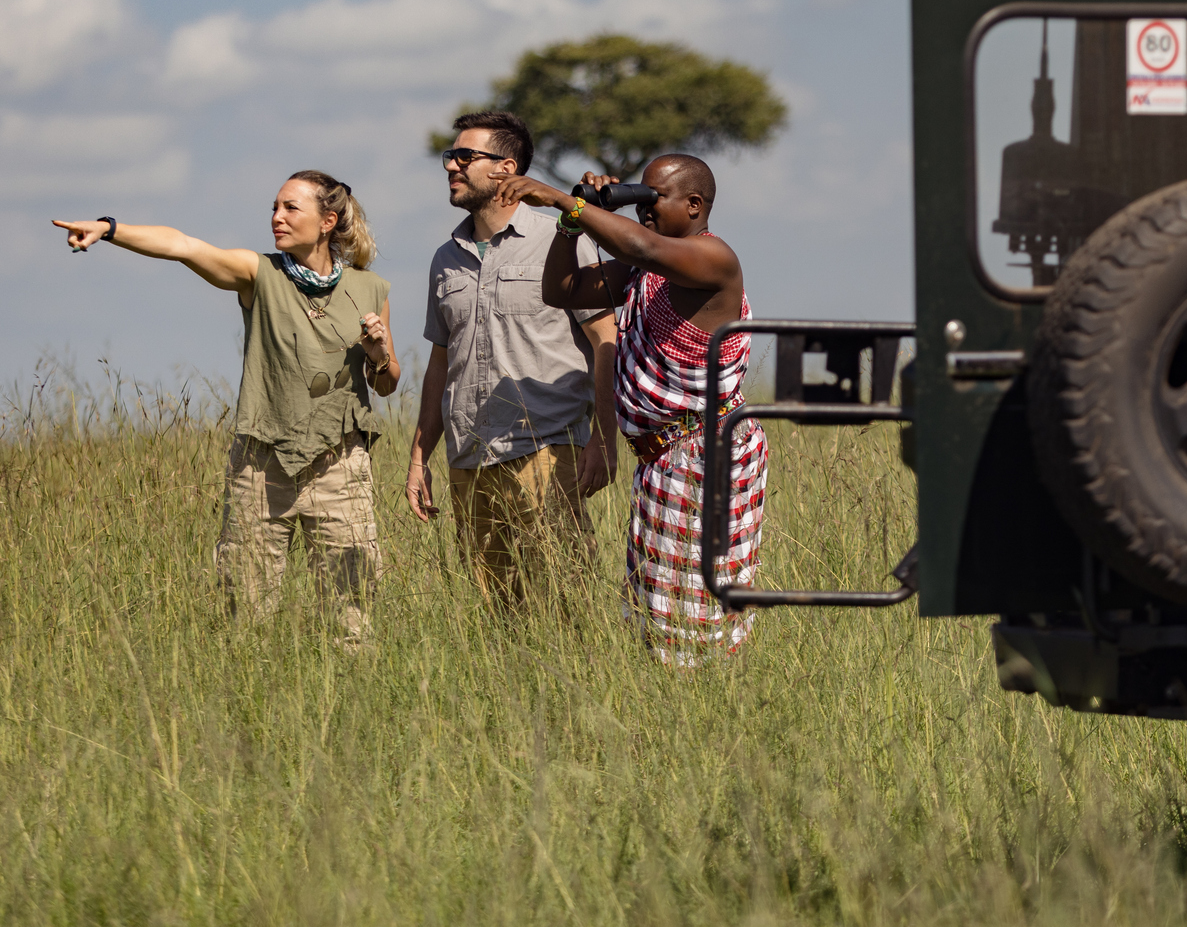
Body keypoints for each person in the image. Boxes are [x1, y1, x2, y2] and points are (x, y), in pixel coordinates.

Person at [52, 172, 400, 643]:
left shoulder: (370, 287)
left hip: (339, 464)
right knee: (248, 613)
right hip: (261, 464)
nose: (276, 217)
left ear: (327, 221)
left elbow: (386, 383)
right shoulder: (257, 273)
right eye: (274, 207)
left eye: (290, 208)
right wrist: (110, 229)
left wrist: (379, 355)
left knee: (350, 613)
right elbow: (182, 245)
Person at [494, 153, 765, 664]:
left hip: (702, 450)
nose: (643, 208)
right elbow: (562, 291)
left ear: (694, 205)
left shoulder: (713, 259)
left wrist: (561, 198)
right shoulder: (646, 272)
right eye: (637, 196)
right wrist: (571, 227)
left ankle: (699, 709)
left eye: (653, 197)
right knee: (658, 601)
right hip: (662, 455)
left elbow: (643, 245)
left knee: (692, 606)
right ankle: (677, 709)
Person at [406, 111, 621, 608]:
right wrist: (420, 456)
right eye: (450, 157)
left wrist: (604, 441)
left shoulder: (563, 239)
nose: (451, 167)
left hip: (547, 452)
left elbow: (604, 341)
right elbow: (441, 364)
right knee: (499, 615)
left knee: (569, 607)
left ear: (505, 168)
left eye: (465, 157)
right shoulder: (446, 257)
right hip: (469, 459)